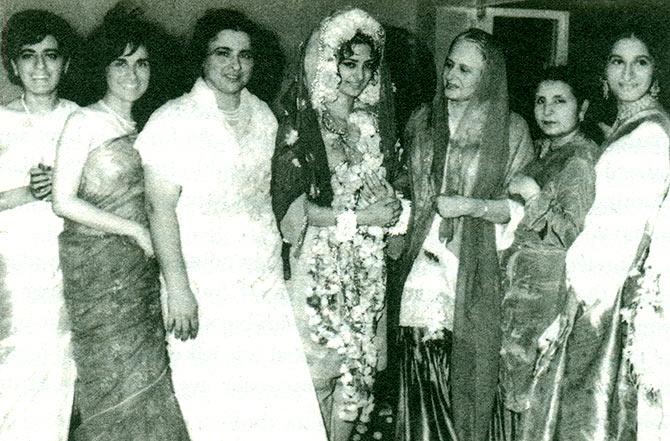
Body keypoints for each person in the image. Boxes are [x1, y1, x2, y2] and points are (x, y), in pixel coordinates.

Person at [135, 9, 327, 440]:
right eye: (222, 53)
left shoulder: (265, 116)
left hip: (261, 284)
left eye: (244, 55)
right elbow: (159, 210)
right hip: (203, 286)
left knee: (271, 404)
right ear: (202, 58)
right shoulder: (173, 119)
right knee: (214, 407)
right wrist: (179, 289)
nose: (234, 65)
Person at [51, 6, 189, 440]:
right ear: (102, 68)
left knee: (149, 372)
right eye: (120, 62)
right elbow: (62, 200)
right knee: (111, 377)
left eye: (142, 63)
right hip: (97, 271)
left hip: (143, 273)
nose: (132, 73)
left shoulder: (154, 124)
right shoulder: (84, 120)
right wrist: (133, 230)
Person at [271, 8, 405, 441]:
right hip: (318, 263)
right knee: (316, 370)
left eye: (368, 66)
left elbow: (391, 194)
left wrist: (391, 209)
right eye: (350, 63)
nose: (360, 75)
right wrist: (364, 217)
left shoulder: (373, 126)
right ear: (328, 61)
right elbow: (298, 210)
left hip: (365, 267)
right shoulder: (306, 123)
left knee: (358, 372)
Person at [395, 28, 534, 441]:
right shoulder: (421, 120)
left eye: (465, 70)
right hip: (423, 263)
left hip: (477, 272)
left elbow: (521, 210)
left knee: (468, 379)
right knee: (423, 369)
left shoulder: (511, 129)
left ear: (487, 78)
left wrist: (469, 206)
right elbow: (407, 186)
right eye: (449, 64)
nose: (451, 75)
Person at [557, 32, 670, 441]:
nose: (627, 72)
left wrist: (580, 293)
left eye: (640, 62)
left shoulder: (649, 136)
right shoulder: (629, 127)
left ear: (656, 73)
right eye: (617, 61)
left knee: (596, 410)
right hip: (608, 279)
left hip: (613, 288)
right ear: (604, 71)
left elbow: (621, 230)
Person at [498, 66, 599, 441]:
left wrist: (533, 196)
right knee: (516, 393)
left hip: (549, 297)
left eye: (560, 101)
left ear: (582, 108)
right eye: (541, 101)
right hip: (521, 294)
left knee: (536, 400)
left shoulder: (580, 160)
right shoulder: (547, 151)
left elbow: (573, 234)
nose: (548, 110)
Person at [0, 10, 79, 440]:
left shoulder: (80, 119)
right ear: (13, 66)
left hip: (70, 256)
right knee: (18, 368)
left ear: (65, 63)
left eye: (51, 55)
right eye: (28, 56)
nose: (40, 67)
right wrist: (29, 193)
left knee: (60, 371)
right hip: (17, 265)